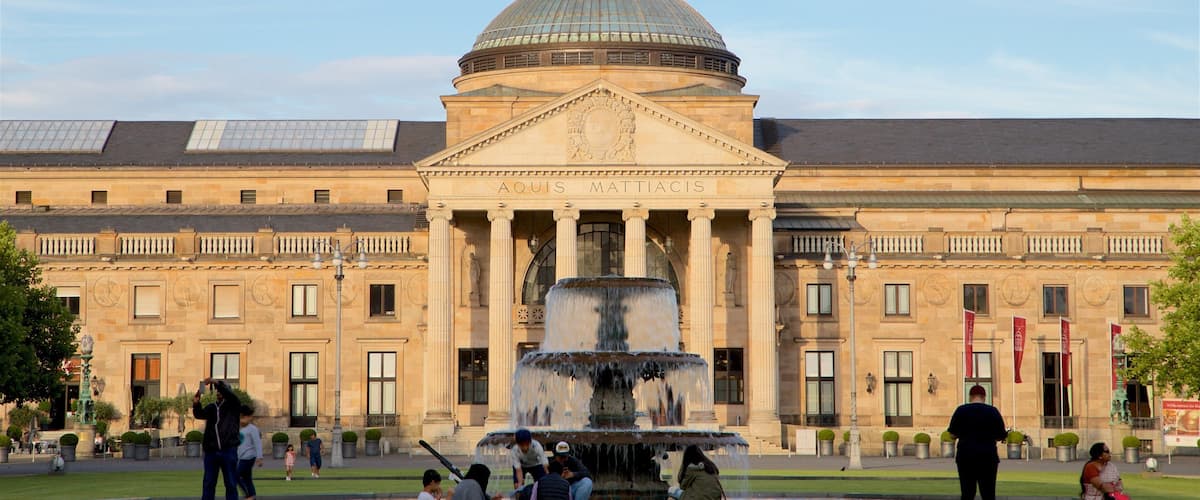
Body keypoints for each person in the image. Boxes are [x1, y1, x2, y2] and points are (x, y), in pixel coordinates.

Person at [947, 384, 1007, 500]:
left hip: (966, 457)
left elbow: (952, 435)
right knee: (988, 494)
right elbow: (1000, 436)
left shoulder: (961, 410)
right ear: (984, 397)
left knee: (967, 493)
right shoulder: (993, 411)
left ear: (970, 397)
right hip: (987, 457)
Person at [193, 377, 243, 500]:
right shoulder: (212, 407)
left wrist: (216, 382)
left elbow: (229, 395)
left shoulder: (233, 405)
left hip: (228, 450)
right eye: (217, 390)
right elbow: (199, 414)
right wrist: (196, 403)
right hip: (212, 451)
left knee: (230, 483)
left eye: (221, 390)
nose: (219, 392)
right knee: (209, 483)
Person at [236, 405, 264, 499]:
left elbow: (257, 443)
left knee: (236, 476)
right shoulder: (238, 428)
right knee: (247, 478)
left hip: (249, 457)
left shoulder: (253, 429)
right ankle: (252, 496)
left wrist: (259, 457)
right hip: (241, 457)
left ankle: (248, 495)